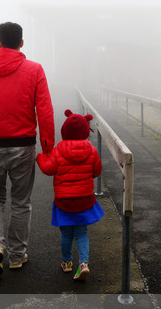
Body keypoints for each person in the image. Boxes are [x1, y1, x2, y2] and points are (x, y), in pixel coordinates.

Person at [0, 21, 55, 277]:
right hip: (23, 146)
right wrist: (48, 145)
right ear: (21, 43)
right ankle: (17, 256)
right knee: (21, 202)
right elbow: (45, 111)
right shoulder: (35, 70)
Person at [36, 109, 104, 281]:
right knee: (81, 234)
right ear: (85, 131)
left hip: (64, 202)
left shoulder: (59, 151)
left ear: (64, 130)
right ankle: (84, 264)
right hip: (84, 201)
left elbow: (48, 169)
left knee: (66, 234)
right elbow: (97, 171)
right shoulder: (92, 150)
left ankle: (67, 263)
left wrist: (41, 157)